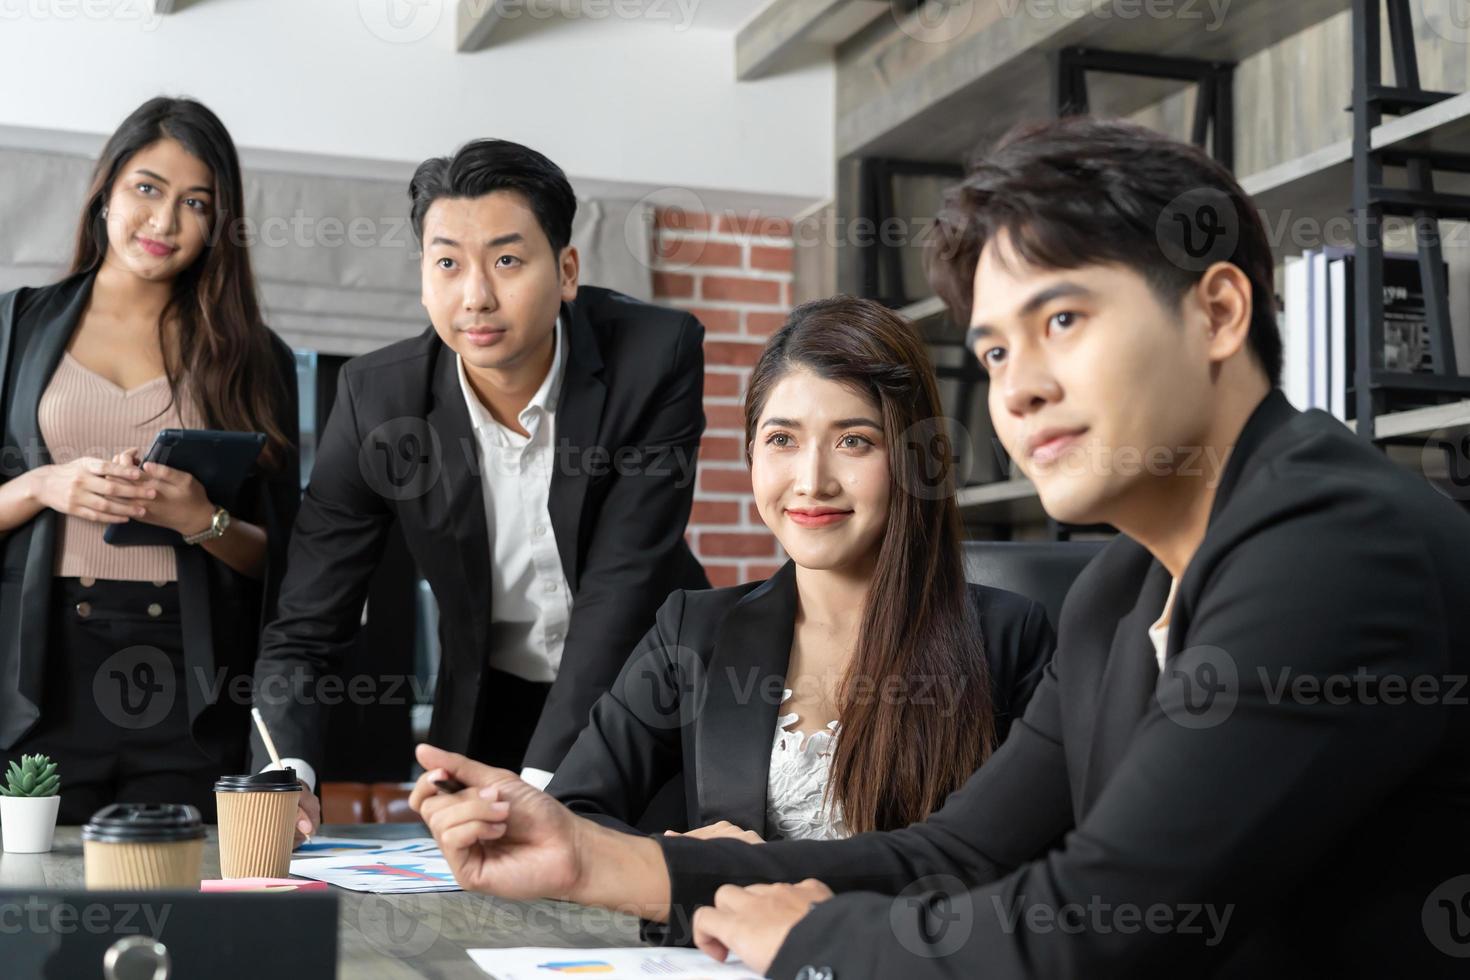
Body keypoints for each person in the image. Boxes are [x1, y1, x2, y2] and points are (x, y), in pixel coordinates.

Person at [406, 117, 1470, 978]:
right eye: (996, 347)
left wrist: (811, 937)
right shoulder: (1117, 592)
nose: (1018, 385)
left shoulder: (1331, 539)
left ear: (1218, 309)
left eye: (1062, 321)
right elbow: (959, 852)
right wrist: (596, 855)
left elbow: (1098, 922)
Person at [252, 139, 710, 842]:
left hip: (647, 693)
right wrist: (285, 773)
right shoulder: (379, 401)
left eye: (506, 260)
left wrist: (542, 795)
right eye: (447, 263)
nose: (476, 296)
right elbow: (307, 621)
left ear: (565, 271)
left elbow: (623, 585)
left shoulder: (653, 356)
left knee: (648, 903)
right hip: (492, 704)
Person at [547, 296, 1055, 840]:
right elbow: (568, 821)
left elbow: (1030, 864)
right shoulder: (690, 632)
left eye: (853, 441)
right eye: (782, 440)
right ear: (751, 455)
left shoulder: (1010, 639)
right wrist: (673, 859)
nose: (812, 480)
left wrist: (740, 868)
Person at [0, 97, 300, 823]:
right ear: (105, 188)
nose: (165, 222)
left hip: (189, 678)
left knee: (182, 903)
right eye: (147, 189)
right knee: (33, 913)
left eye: (196, 203)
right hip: (38, 672)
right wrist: (43, 485)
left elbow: (285, 563)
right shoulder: (14, 324)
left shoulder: (254, 358)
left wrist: (201, 519)